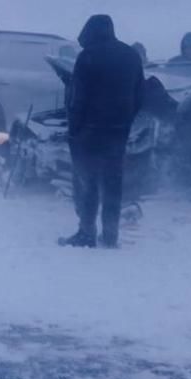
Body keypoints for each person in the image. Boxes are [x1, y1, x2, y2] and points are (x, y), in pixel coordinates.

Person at [61, 14, 145, 248]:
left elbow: (78, 98)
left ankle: (86, 233)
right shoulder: (131, 55)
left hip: (89, 132)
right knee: (113, 183)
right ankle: (110, 235)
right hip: (118, 131)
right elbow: (139, 94)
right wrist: (126, 120)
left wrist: (74, 129)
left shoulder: (88, 57)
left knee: (88, 183)